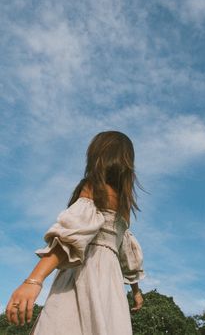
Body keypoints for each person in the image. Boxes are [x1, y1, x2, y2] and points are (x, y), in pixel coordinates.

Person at [6, 130, 146, 335]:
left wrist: (33, 280)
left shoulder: (93, 188)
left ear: (97, 156)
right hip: (110, 285)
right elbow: (127, 254)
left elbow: (72, 237)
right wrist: (136, 292)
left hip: (83, 273)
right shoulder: (124, 207)